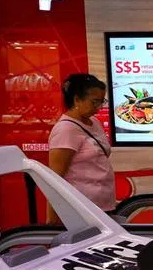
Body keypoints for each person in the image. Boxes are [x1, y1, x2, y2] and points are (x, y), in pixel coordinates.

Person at [48, 73, 115, 217]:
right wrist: (52, 220)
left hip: (103, 205)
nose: (98, 107)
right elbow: (55, 178)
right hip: (80, 209)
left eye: (102, 102)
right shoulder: (66, 129)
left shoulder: (94, 122)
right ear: (77, 99)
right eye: (94, 102)